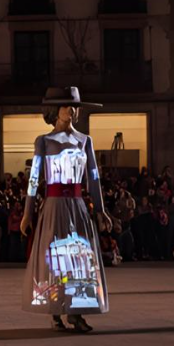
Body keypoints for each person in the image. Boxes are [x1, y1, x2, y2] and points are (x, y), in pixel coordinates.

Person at [19, 87, 113, 332]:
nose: (69, 110)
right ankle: (56, 310)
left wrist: (101, 209)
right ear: (54, 110)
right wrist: (28, 212)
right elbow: (34, 178)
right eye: (64, 106)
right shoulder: (44, 141)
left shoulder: (85, 141)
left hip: (78, 206)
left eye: (73, 106)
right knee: (54, 259)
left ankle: (77, 311)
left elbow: (94, 177)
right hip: (53, 206)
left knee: (80, 258)